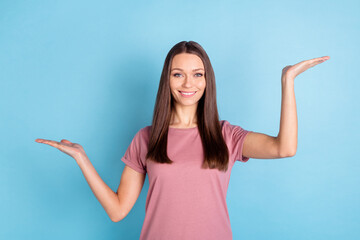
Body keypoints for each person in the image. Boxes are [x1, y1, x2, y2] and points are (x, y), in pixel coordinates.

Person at [35, 41, 329, 239]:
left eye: (197, 74)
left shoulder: (226, 135)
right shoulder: (147, 138)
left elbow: (284, 148)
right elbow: (117, 211)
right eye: (178, 74)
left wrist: (287, 81)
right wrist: (82, 159)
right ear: (168, 80)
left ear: (206, 80)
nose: (188, 83)